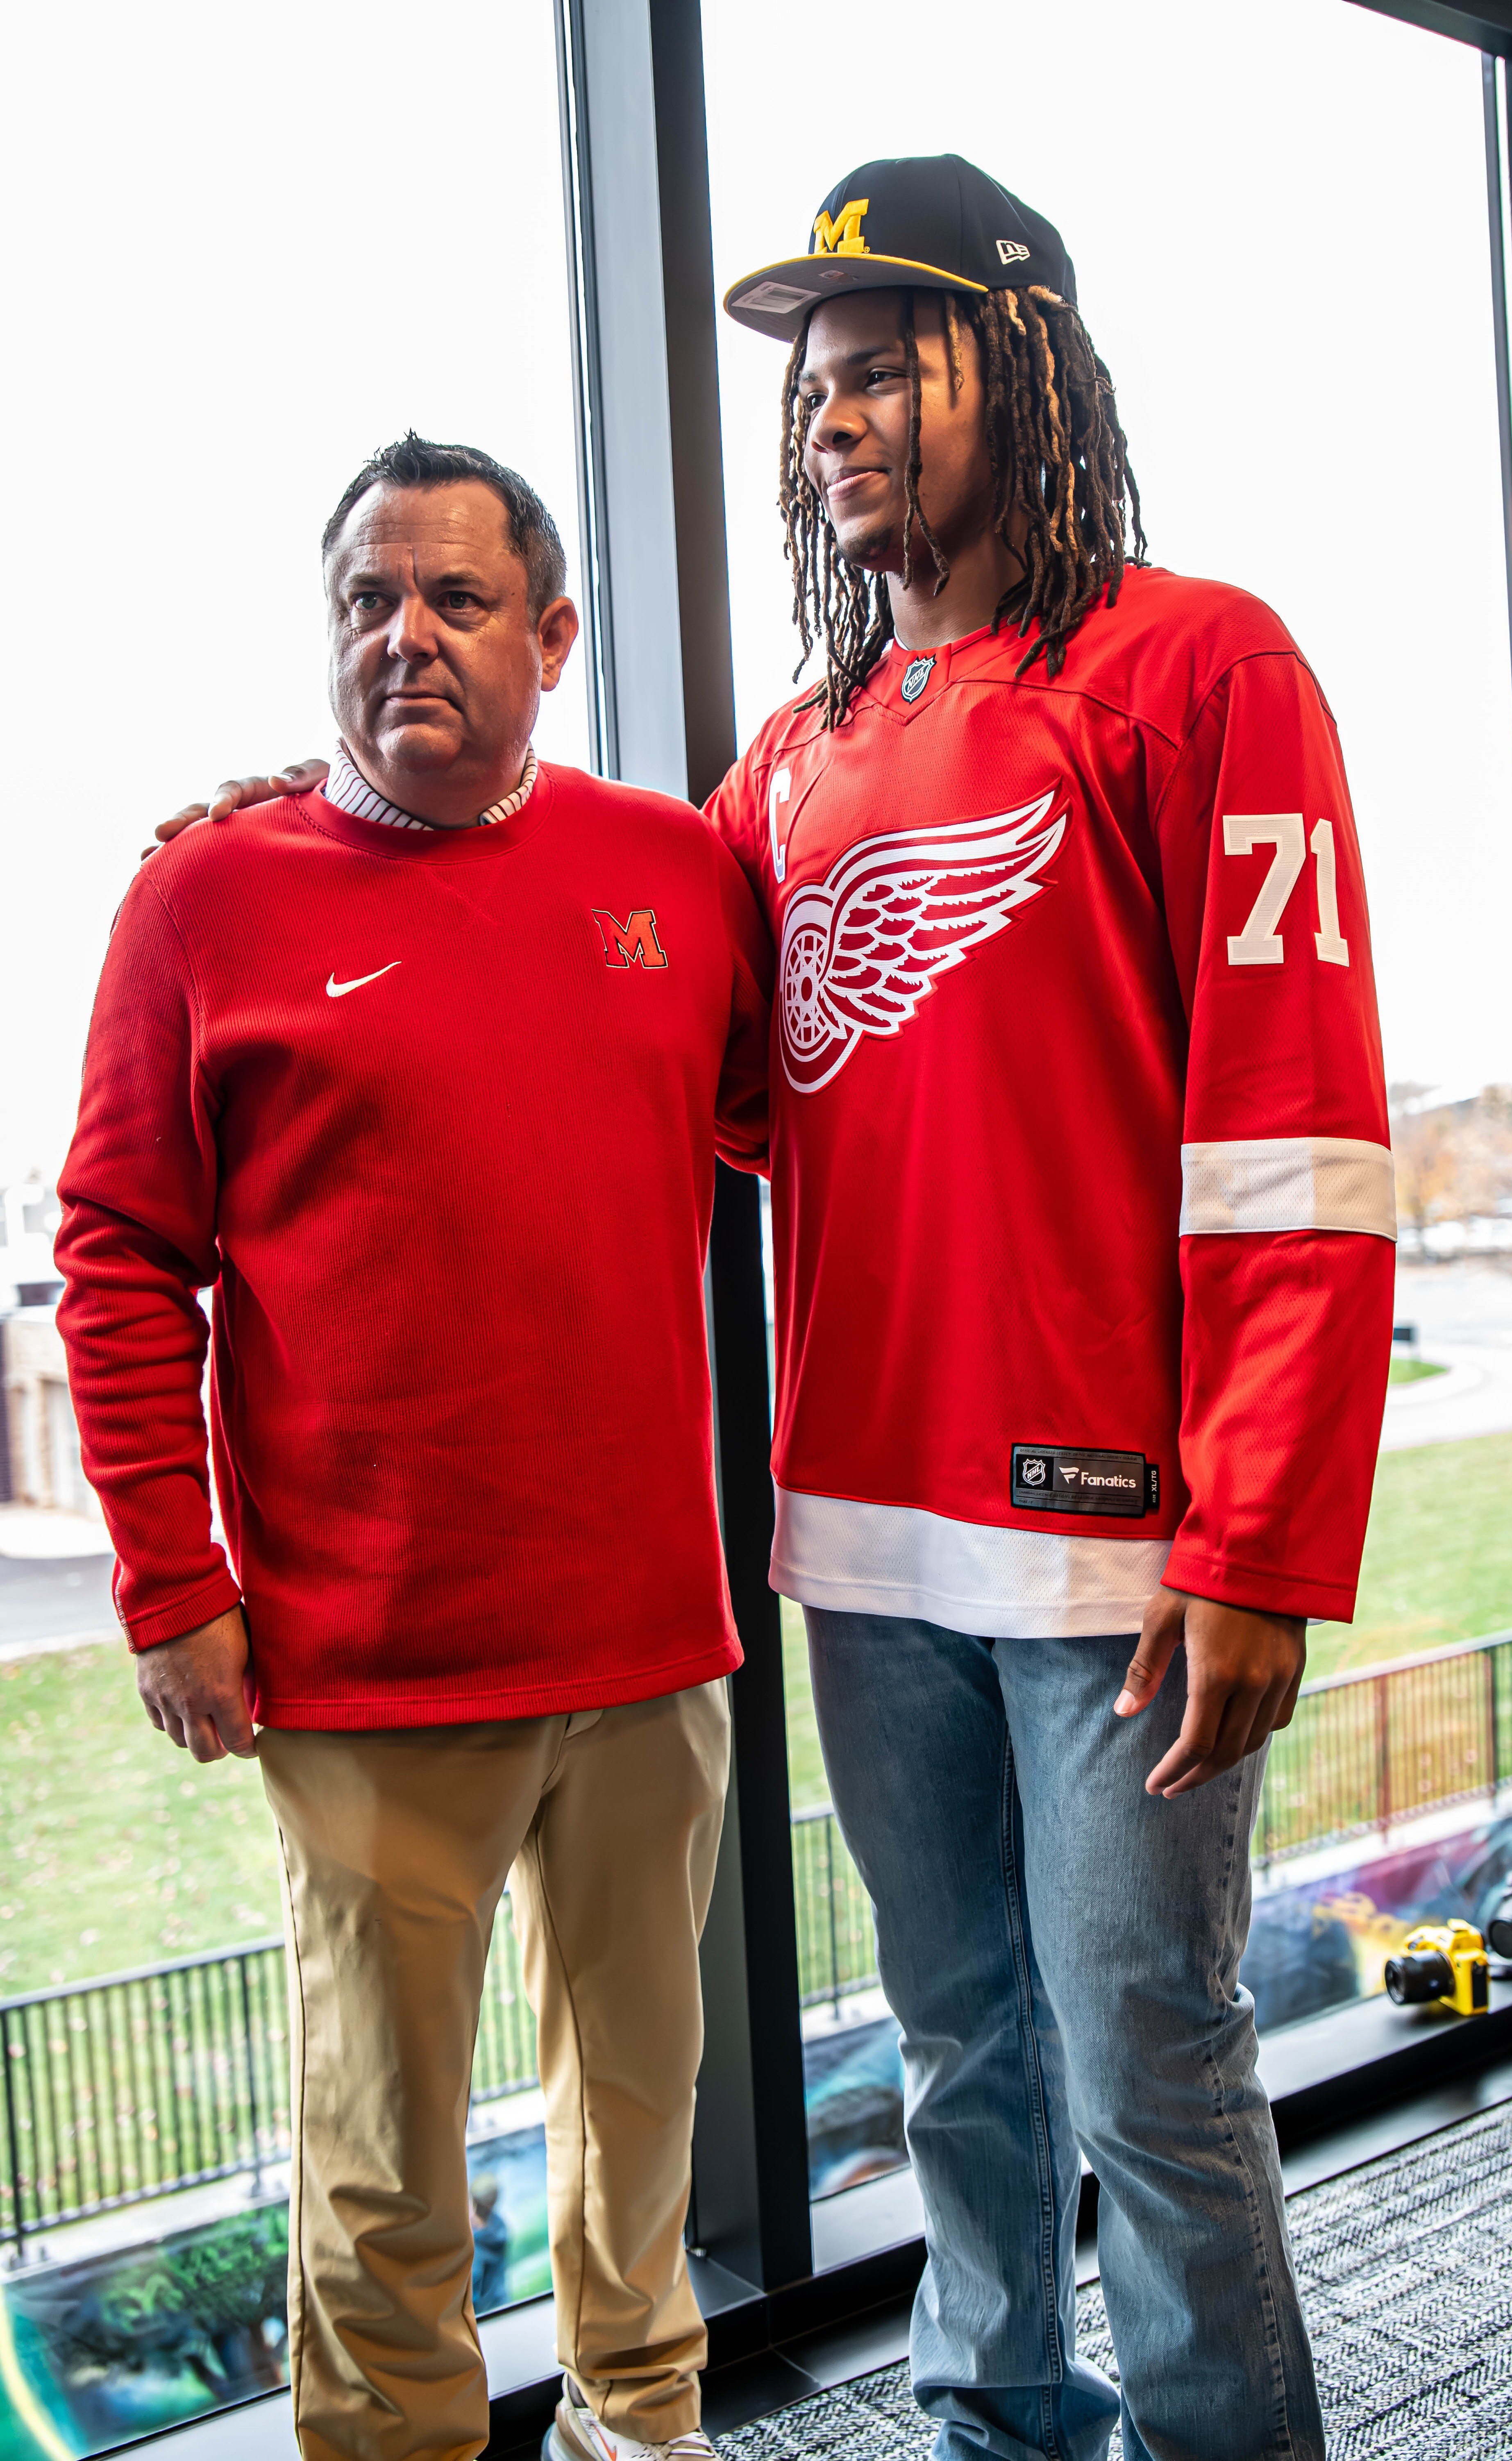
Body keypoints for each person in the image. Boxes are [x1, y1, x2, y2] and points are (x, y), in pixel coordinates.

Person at [160, 158, 1394, 2461]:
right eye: (811, 384)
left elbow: (1298, 1145)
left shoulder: (1201, 666)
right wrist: (317, 822)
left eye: (883, 362)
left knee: (1159, 2075)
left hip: (1120, 1547)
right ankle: (997, 2418)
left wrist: (1265, 1542)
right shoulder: (789, 772)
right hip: (858, 1540)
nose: (831, 419)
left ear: (1026, 360)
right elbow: (590, 964)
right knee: (963, 2058)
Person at [58, 435, 769, 2461]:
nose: (406, 636)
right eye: (369, 600)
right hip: (367, 1668)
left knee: (643, 2124)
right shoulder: (208, 894)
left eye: (457, 600)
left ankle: (649, 2425)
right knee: (384, 2179)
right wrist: (171, 1586)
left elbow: (793, 1117)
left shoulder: (677, 872)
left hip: (650, 1646)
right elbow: (117, 1263)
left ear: (552, 636)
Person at [469, 2177, 510, 2316]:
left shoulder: (476, 2244)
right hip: (501, 2303)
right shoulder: (500, 2226)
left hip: (483, 2314)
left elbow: (473, 2289)